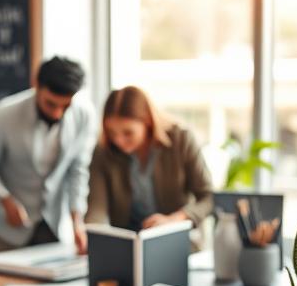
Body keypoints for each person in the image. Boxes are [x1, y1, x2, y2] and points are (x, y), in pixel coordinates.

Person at [0, 56, 95, 257]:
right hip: (5, 228)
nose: (57, 113)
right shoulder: (3, 115)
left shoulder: (85, 115)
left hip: (52, 224)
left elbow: (77, 170)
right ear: (36, 85)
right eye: (50, 104)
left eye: (65, 106)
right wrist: (5, 199)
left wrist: (77, 219)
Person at [85, 85, 213, 236]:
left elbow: (208, 198)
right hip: (128, 243)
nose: (119, 140)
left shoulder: (181, 140)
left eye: (128, 133)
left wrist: (176, 218)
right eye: (112, 132)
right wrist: (91, 234)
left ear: (148, 122)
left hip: (177, 239)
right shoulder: (104, 151)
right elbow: (96, 208)